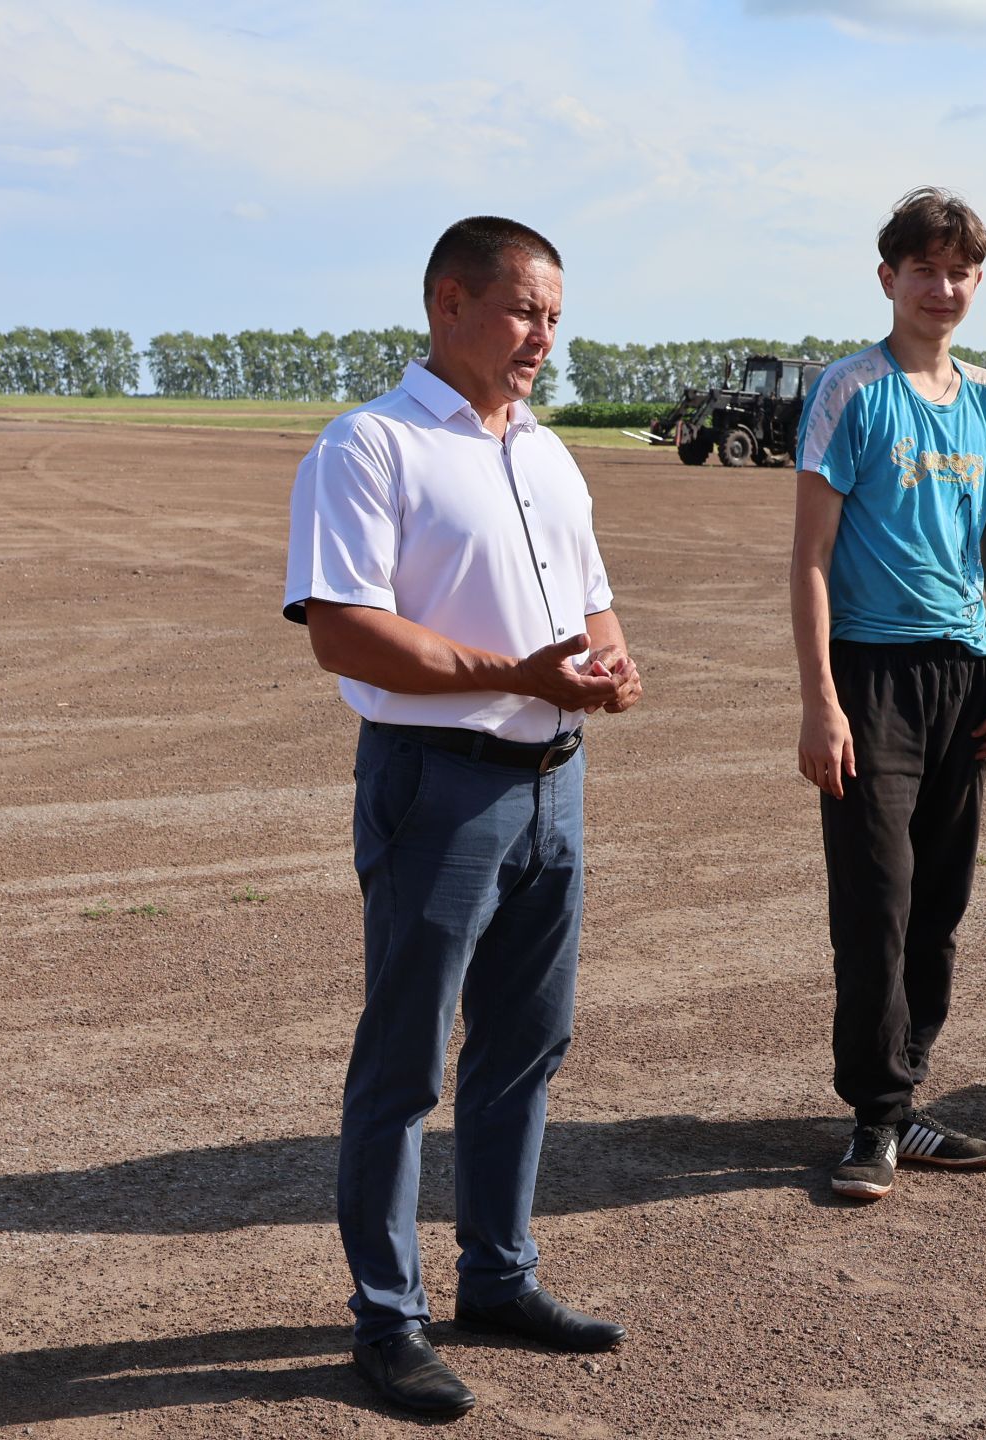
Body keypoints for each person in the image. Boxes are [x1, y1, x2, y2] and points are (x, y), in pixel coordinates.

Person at [282, 216, 641, 1419]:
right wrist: (520, 677)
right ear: (449, 301)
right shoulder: (369, 446)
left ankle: (499, 1277)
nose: (545, 335)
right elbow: (345, 627)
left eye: (555, 315)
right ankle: (387, 1323)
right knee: (404, 1062)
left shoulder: (545, 452)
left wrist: (608, 666)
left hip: (555, 778)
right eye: (525, 309)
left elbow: (592, 605)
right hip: (438, 782)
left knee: (525, 1049)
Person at [790, 187, 986, 1202]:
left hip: (964, 676)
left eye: (960, 272)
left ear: (978, 282)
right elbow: (809, 556)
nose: (943, 288)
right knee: (877, 902)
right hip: (872, 676)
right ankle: (875, 1120)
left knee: (938, 904)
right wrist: (820, 701)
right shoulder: (851, 391)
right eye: (924, 269)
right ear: (887, 276)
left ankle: (908, 1091)